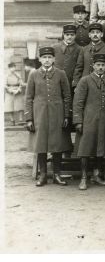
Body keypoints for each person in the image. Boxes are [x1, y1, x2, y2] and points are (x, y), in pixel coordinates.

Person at [24, 46, 72, 186]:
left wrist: (66, 116)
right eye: (44, 57)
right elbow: (28, 98)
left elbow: (67, 96)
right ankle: (43, 175)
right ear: (40, 59)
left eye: (49, 57)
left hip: (57, 113)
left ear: (54, 59)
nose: (47, 60)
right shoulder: (33, 74)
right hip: (40, 114)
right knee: (41, 144)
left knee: (57, 144)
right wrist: (29, 118)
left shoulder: (61, 74)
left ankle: (57, 174)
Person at [72, 53, 105, 190]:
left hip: (104, 121)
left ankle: (96, 175)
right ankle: (83, 177)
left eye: (103, 65)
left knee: (100, 148)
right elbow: (78, 103)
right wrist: (78, 121)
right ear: (93, 66)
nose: (100, 68)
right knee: (85, 149)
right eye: (98, 65)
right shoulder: (85, 81)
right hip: (88, 120)